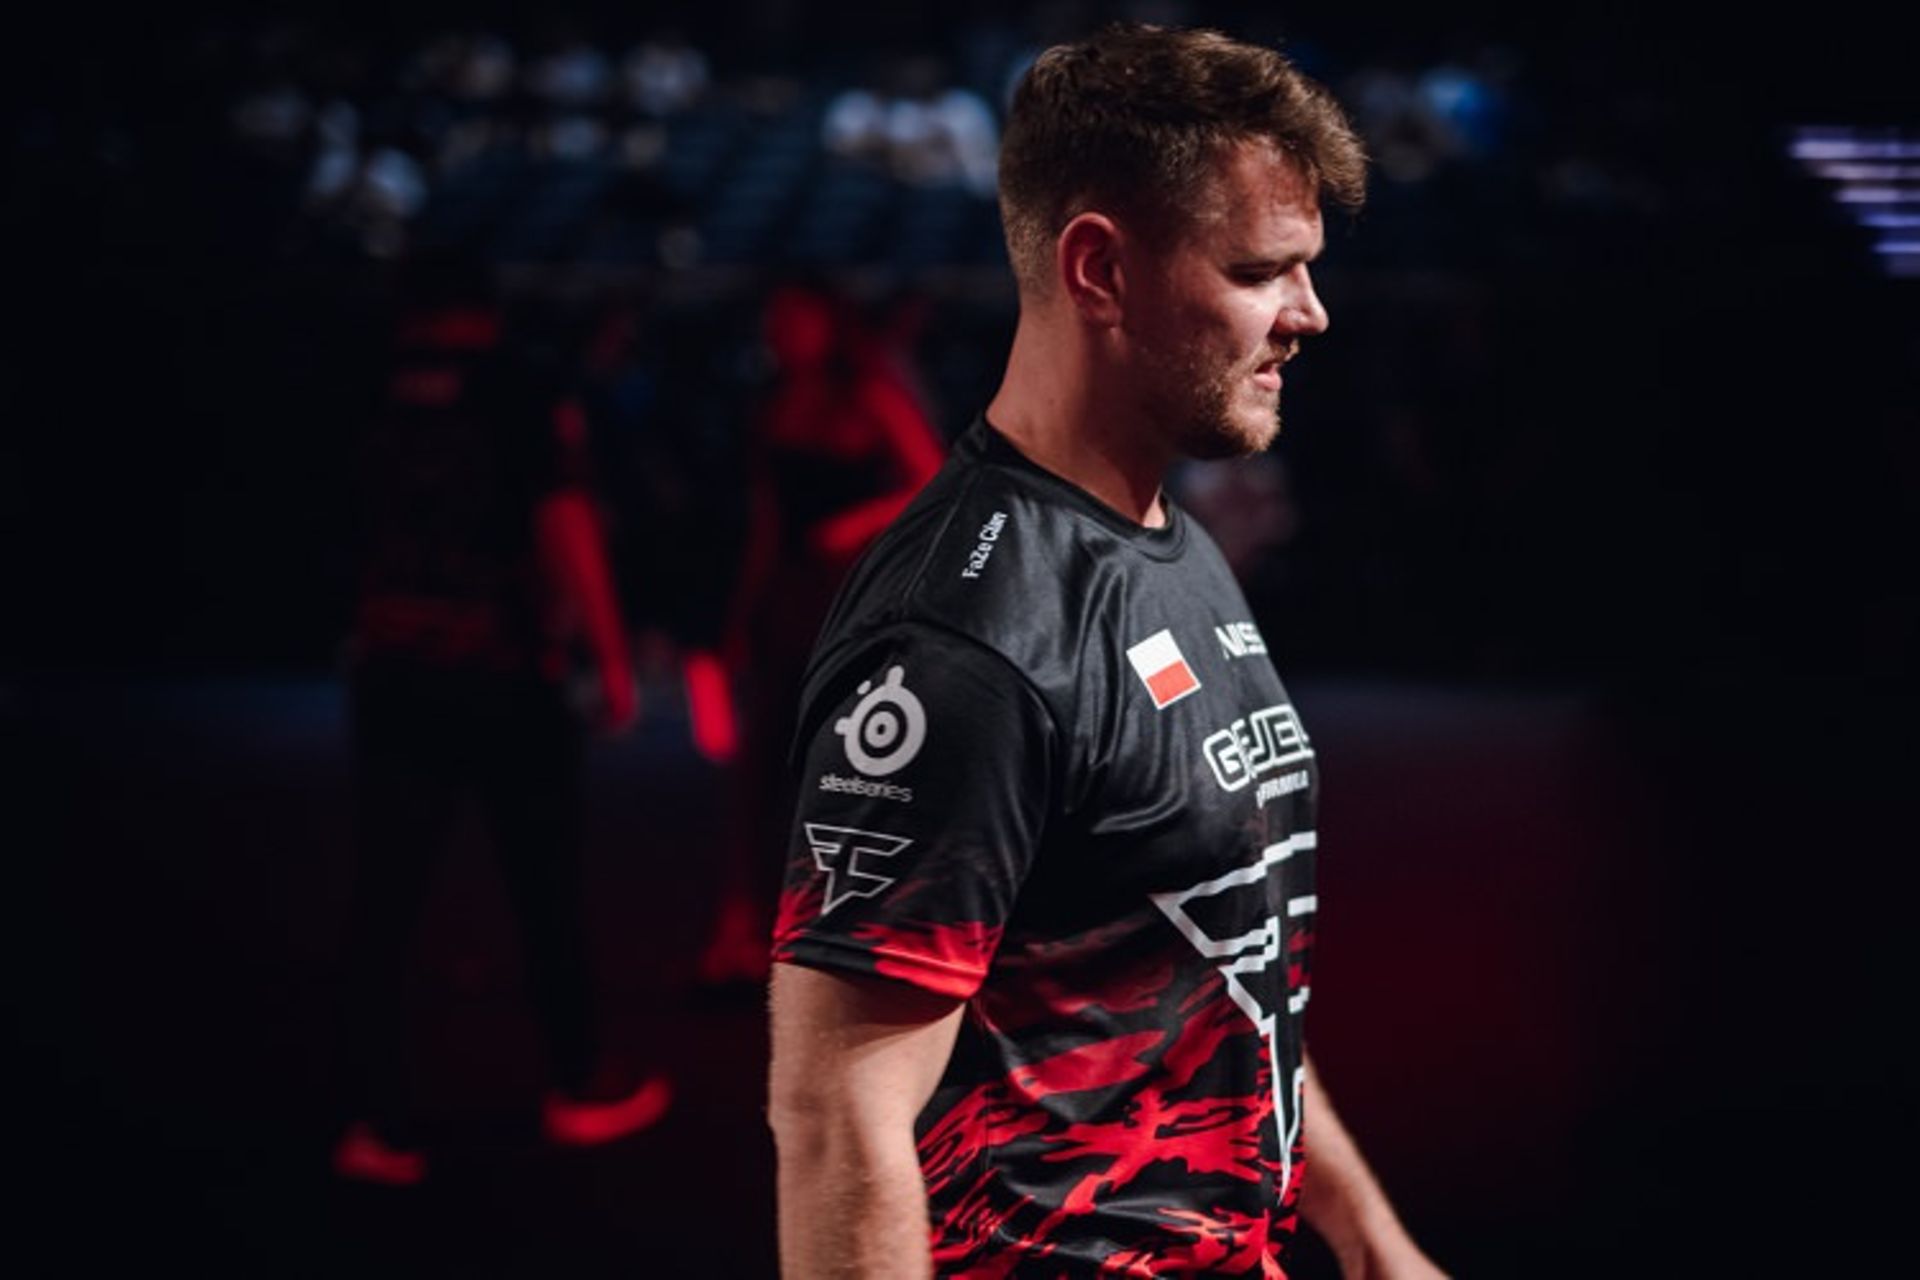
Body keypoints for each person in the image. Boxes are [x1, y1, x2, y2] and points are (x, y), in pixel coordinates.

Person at [766, 24, 1446, 1278]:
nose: (1310, 313)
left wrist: (1374, 1240)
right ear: (1099, 269)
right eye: (1261, 270)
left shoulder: (1167, 542)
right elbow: (836, 1123)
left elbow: (1217, 960)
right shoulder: (963, 641)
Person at [332, 258, 669, 1186]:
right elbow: (563, 519)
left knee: (386, 899)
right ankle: (576, 1084)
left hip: (393, 664)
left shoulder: (367, 386)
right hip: (504, 672)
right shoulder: (519, 388)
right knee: (543, 887)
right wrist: (609, 657)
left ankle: (375, 1120)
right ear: (486, 312)